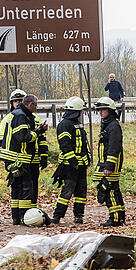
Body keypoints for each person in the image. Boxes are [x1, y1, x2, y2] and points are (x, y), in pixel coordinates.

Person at [4, 94, 47, 225]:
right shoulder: (21, 116)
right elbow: (22, 136)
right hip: (18, 158)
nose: (37, 108)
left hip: (16, 158)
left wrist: (38, 130)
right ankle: (24, 217)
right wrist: (37, 132)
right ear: (30, 104)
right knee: (25, 188)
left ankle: (17, 218)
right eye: (36, 105)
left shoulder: (22, 114)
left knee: (17, 188)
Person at [51, 96, 90, 225]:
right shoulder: (64, 125)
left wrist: (86, 160)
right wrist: (73, 161)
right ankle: (57, 216)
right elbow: (65, 145)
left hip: (81, 165)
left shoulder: (76, 123)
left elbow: (83, 144)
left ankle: (79, 215)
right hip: (69, 165)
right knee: (67, 191)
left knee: (81, 191)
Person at [93, 96, 124, 226]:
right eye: (99, 110)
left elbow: (114, 147)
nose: (100, 112)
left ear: (110, 110)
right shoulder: (108, 124)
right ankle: (119, 217)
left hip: (111, 165)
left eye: (103, 110)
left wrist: (109, 166)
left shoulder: (113, 126)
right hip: (107, 164)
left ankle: (115, 219)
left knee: (109, 190)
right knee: (113, 190)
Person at [0, 89, 27, 222]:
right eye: (16, 101)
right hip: (13, 159)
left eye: (21, 101)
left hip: (26, 158)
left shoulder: (30, 117)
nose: (18, 103)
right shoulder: (8, 119)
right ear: (11, 103)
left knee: (25, 188)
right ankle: (16, 216)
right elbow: (0, 141)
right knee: (17, 186)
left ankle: (23, 215)